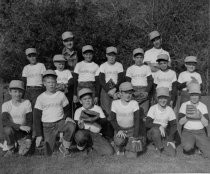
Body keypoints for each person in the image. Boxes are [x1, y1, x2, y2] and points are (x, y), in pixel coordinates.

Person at [33, 70, 76, 156]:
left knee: (71, 125)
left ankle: (64, 147)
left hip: (60, 122)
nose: (51, 84)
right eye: (49, 82)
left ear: (56, 83)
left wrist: (66, 117)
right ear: (44, 83)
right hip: (47, 126)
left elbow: (67, 108)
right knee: (48, 153)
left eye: (53, 82)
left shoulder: (61, 95)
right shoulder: (40, 98)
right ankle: (43, 145)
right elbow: (36, 116)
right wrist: (39, 134)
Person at [109, 82, 146, 158]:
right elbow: (112, 119)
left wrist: (135, 136)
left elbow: (137, 120)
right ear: (120, 93)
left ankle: (128, 143)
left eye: (130, 93)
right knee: (119, 141)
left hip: (131, 130)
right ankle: (120, 146)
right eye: (125, 93)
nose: (128, 95)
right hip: (120, 130)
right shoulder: (115, 103)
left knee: (132, 156)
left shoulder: (134, 103)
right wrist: (118, 130)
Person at [74, 88, 114, 156]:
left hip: (96, 134)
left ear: (92, 99)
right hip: (84, 133)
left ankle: (91, 146)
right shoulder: (78, 111)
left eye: (89, 98)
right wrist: (80, 126)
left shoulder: (97, 108)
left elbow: (104, 122)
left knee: (109, 152)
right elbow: (77, 126)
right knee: (80, 135)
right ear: (80, 101)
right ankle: (83, 147)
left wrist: (94, 119)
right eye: (84, 99)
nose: (87, 101)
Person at [178, 82, 210, 158]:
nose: (194, 97)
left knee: (208, 153)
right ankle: (193, 143)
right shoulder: (184, 105)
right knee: (187, 149)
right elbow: (180, 122)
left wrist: (200, 115)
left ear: (199, 95)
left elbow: (206, 124)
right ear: (189, 95)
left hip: (200, 132)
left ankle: (199, 145)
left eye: (196, 95)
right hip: (188, 131)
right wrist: (187, 116)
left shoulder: (203, 106)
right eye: (192, 95)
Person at [1, 80, 32, 157]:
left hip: (24, 132)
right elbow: (5, 121)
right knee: (7, 129)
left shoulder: (26, 102)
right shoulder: (6, 105)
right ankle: (11, 147)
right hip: (12, 131)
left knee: (22, 153)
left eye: (20, 92)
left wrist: (28, 137)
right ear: (10, 92)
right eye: (15, 91)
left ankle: (20, 143)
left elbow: (30, 121)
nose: (17, 94)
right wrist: (19, 126)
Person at [146, 87, 177, 156]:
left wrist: (170, 140)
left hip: (164, 133)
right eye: (160, 98)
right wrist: (159, 126)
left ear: (168, 99)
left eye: (165, 98)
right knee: (155, 130)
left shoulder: (170, 110)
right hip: (152, 132)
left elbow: (174, 125)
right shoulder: (153, 108)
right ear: (157, 98)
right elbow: (147, 123)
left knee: (172, 154)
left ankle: (162, 143)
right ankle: (160, 147)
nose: (163, 100)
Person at [126, 48, 153, 114]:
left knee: (144, 112)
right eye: (137, 57)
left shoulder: (147, 68)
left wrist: (146, 92)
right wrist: (131, 92)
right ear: (133, 58)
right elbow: (128, 82)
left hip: (144, 90)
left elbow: (150, 81)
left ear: (143, 58)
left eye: (141, 57)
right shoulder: (130, 69)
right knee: (132, 112)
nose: (139, 59)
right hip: (133, 90)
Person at [99, 46, 124, 116]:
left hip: (116, 89)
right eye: (109, 55)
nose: (111, 57)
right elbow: (101, 80)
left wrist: (115, 89)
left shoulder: (119, 65)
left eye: (113, 55)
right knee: (106, 112)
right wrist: (108, 90)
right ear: (106, 55)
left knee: (116, 111)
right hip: (105, 90)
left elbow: (121, 79)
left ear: (116, 56)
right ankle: (107, 126)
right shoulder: (103, 66)